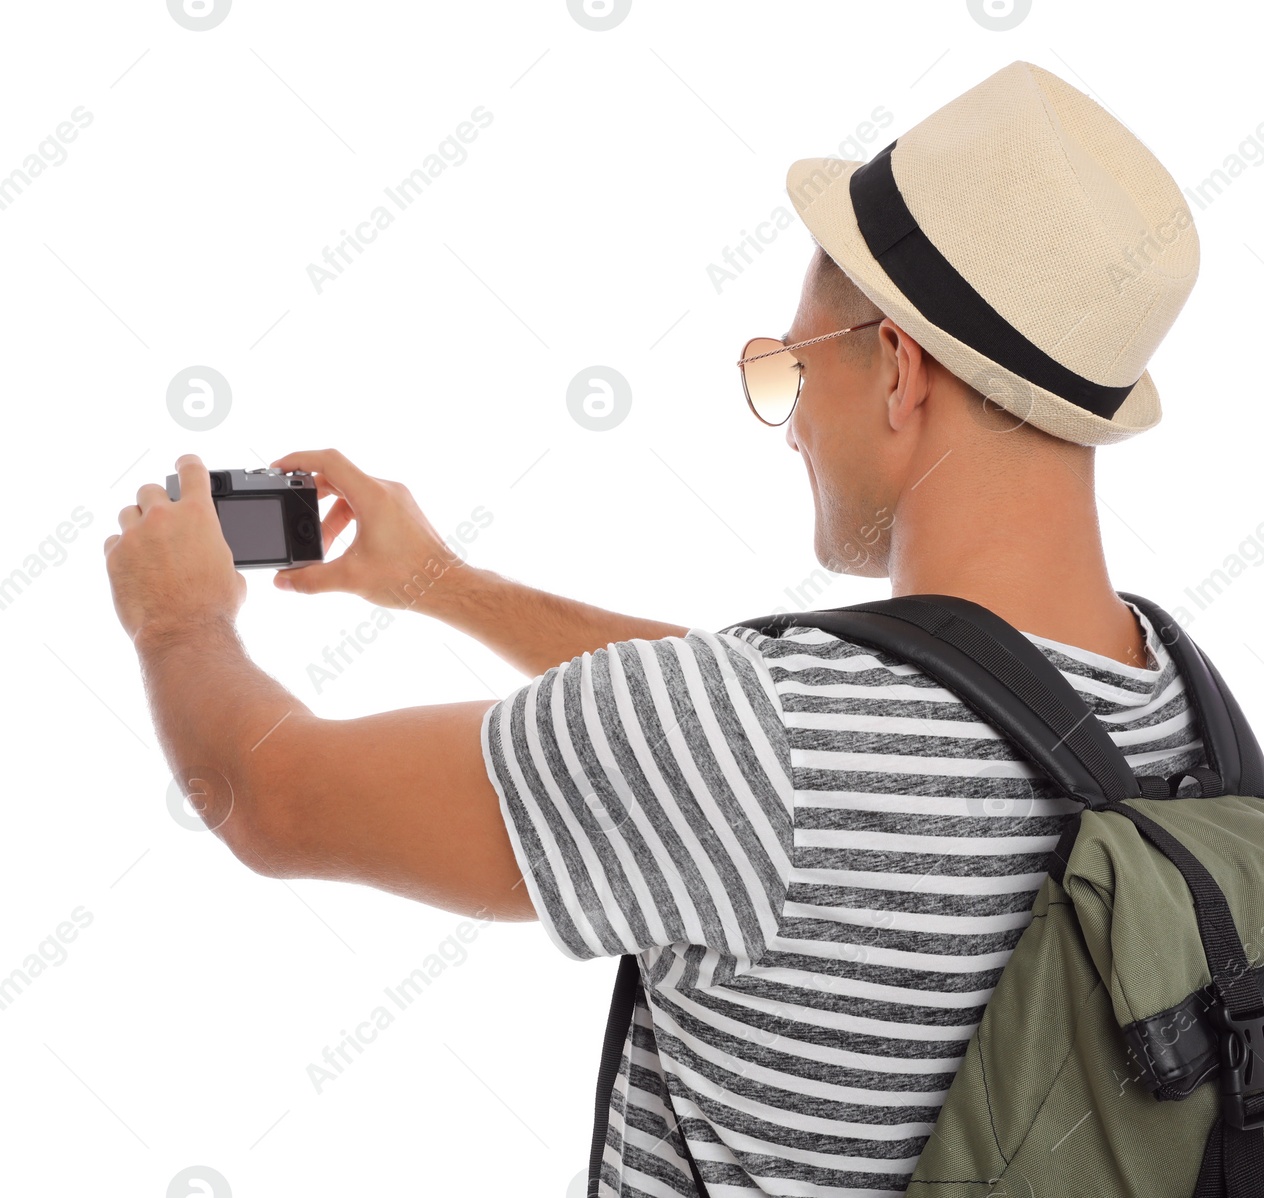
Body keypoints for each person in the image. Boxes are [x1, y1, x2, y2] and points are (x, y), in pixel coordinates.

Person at [105, 60, 1207, 1198]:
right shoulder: (1175, 706)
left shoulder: (760, 745)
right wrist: (442, 581)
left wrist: (179, 618)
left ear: (893, 369)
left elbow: (268, 797)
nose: (786, 426)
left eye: (788, 363)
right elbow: (773, 716)